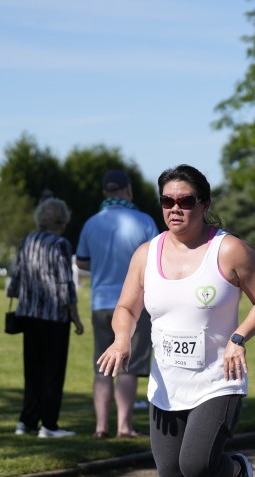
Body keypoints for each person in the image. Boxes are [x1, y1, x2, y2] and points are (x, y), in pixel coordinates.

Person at [97, 164, 255, 477]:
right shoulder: (147, 254)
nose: (175, 208)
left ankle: (237, 471)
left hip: (218, 380)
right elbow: (126, 307)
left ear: (204, 203)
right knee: (171, 473)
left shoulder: (228, 250)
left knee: (196, 465)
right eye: (167, 201)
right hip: (166, 385)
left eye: (185, 201)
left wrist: (239, 337)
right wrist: (122, 338)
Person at [76, 169, 159, 439]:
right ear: (128, 190)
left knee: (102, 366)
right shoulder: (144, 221)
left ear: (104, 192)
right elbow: (157, 260)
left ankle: (101, 426)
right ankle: (124, 426)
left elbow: (81, 261)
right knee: (128, 366)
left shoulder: (91, 223)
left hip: (101, 302)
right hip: (135, 303)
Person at [7, 195, 85, 438]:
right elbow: (65, 283)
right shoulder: (60, 244)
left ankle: (26, 421)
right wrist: (75, 316)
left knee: (32, 372)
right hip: (54, 317)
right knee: (53, 373)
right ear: (62, 220)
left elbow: (17, 276)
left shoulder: (28, 239)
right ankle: (49, 425)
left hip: (28, 314)